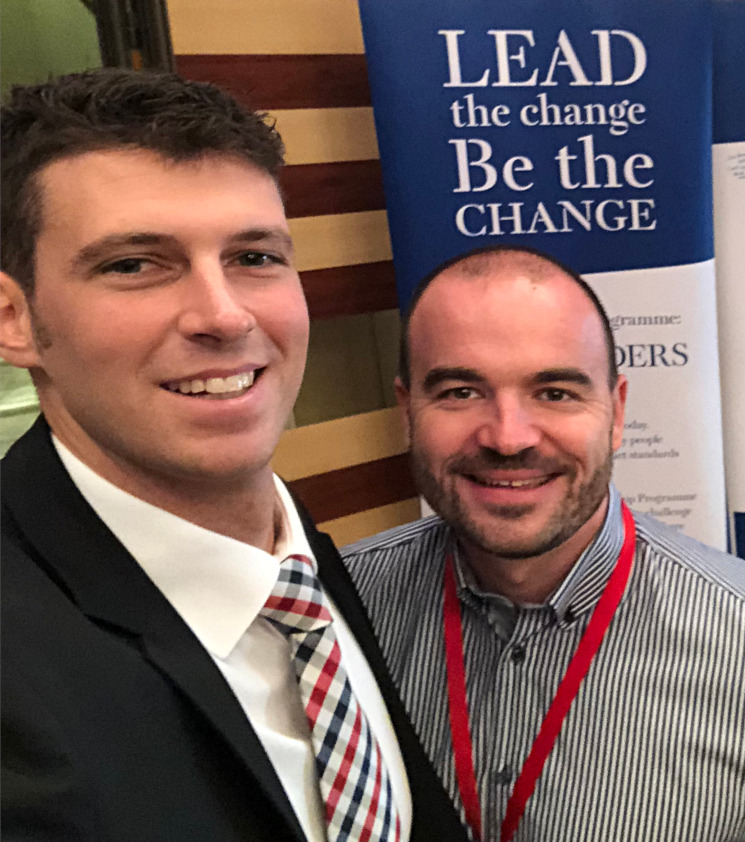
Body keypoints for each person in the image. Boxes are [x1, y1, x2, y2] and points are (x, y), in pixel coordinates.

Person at [0, 69, 467, 842]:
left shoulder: (286, 549)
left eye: (254, 257)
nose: (223, 315)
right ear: (13, 318)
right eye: (134, 264)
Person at [342, 244, 745, 842]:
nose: (508, 438)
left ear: (616, 414)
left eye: (555, 392)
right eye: (460, 392)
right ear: (408, 413)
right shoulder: (336, 612)